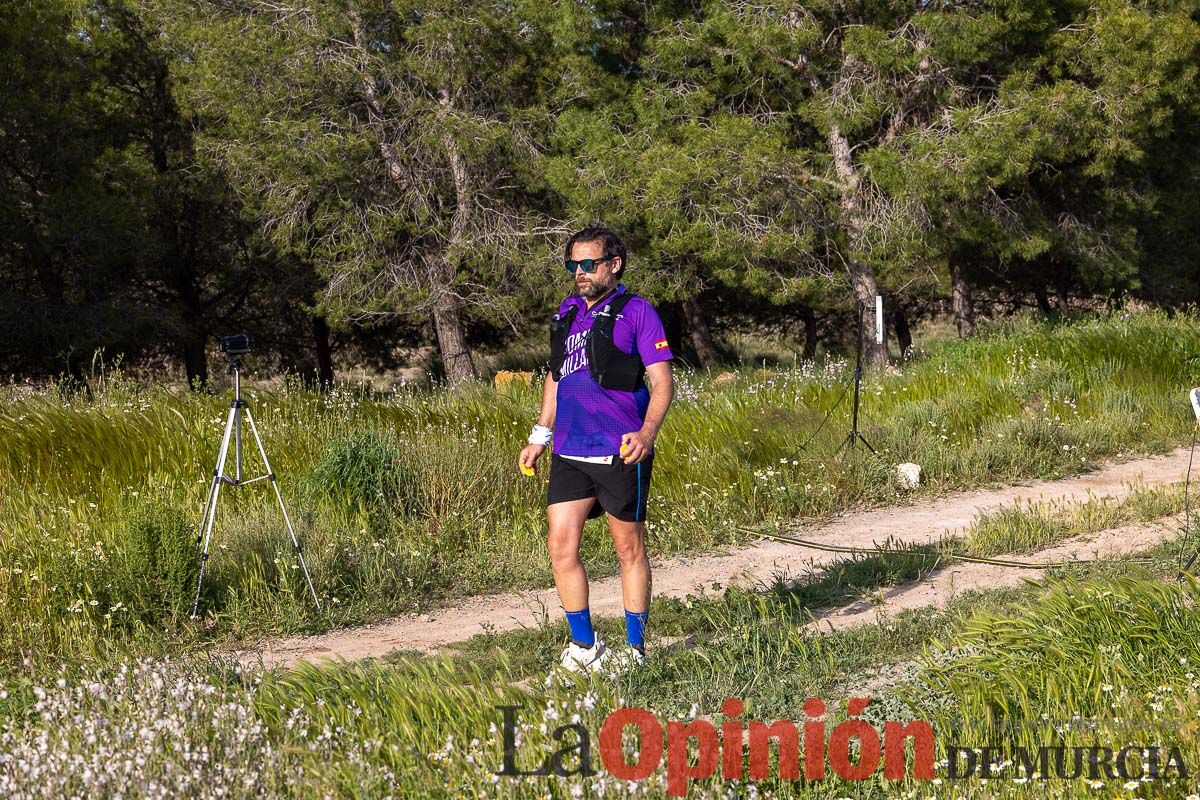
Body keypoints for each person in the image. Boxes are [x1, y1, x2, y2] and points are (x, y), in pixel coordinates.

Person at [518, 225, 675, 673]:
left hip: (620, 450)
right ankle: (586, 647)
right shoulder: (567, 312)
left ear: (614, 264)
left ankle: (636, 651)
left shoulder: (638, 312)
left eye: (588, 264)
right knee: (560, 547)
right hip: (569, 449)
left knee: (628, 550)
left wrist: (646, 436)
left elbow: (663, 383)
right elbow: (555, 375)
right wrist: (540, 434)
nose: (579, 273)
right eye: (573, 265)